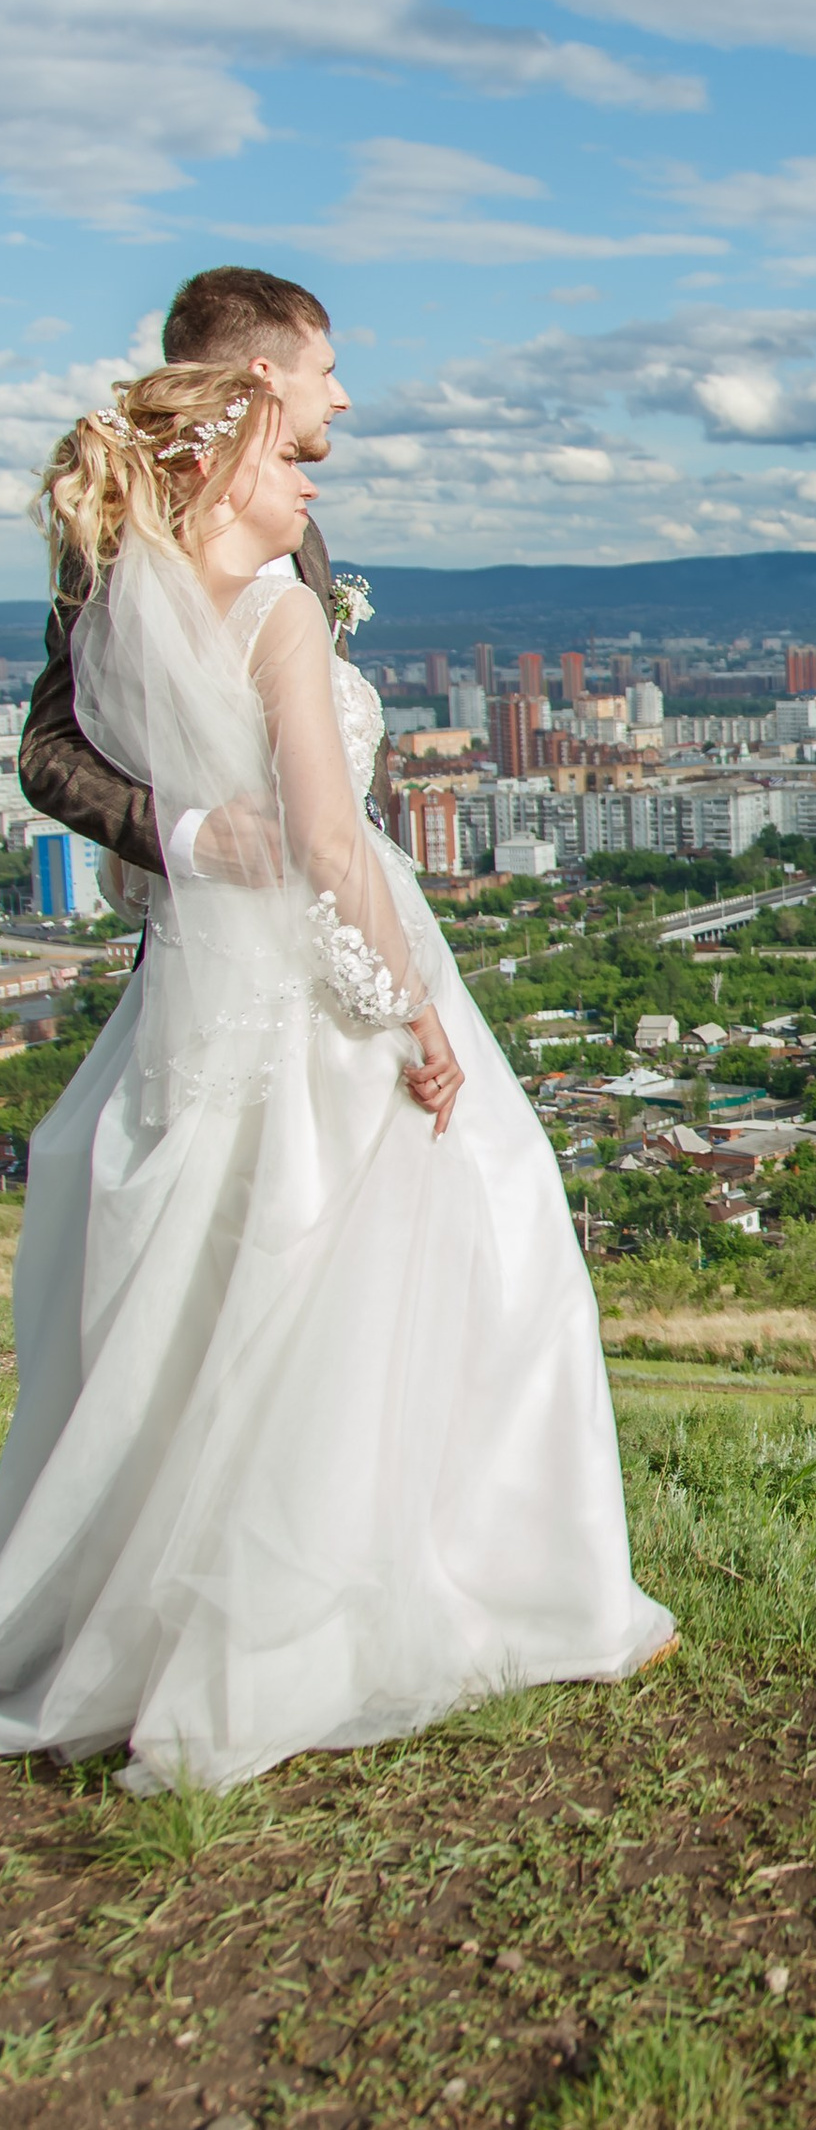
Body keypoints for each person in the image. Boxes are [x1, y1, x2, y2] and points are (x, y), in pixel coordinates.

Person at [0, 359, 672, 1794]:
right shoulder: (277, 606)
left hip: (200, 994)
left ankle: (160, 1625)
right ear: (221, 451)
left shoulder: (130, 601)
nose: (318, 464)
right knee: (464, 1248)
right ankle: (466, 1583)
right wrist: (415, 1014)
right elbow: (323, 842)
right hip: (318, 971)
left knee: (215, 1291)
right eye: (292, 441)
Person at [22, 269, 351, 877]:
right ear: (262, 377)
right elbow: (49, 753)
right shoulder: (127, 539)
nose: (341, 397)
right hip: (223, 922)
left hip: (340, 885)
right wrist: (191, 839)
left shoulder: (303, 532)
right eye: (326, 370)